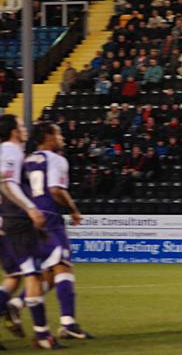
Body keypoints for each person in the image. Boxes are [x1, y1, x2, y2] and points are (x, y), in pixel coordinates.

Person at [8, 122, 93, 339]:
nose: (61, 138)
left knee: (46, 274)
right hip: (50, 219)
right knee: (63, 267)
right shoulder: (56, 159)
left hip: (29, 219)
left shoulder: (26, 160)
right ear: (48, 136)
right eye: (58, 134)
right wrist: (73, 209)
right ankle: (68, 322)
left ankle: (17, 303)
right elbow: (55, 190)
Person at [0, 115, 63, 349]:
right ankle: (42, 336)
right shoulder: (10, 151)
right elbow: (6, 183)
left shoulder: (12, 152)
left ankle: (40, 333)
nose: (25, 129)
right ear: (14, 131)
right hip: (16, 219)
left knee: (19, 275)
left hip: (11, 221)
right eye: (21, 125)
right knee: (32, 274)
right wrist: (31, 209)